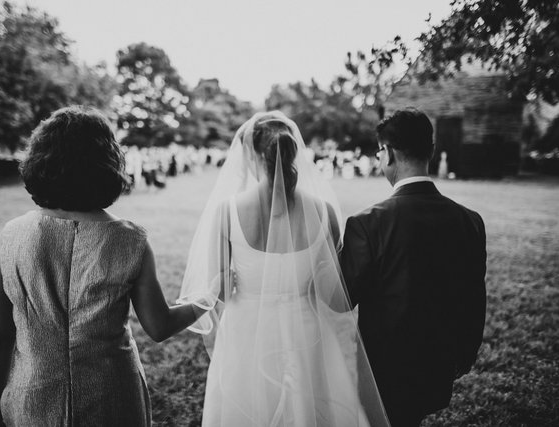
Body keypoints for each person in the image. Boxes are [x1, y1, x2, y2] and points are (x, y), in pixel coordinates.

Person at [0, 106, 206, 427]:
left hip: (31, 397)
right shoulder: (131, 239)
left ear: (40, 159)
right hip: (113, 397)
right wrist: (208, 298)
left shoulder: (11, 235)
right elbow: (159, 327)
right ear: (107, 164)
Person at [177, 111, 389, 426]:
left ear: (249, 155)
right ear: (294, 153)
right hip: (305, 329)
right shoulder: (324, 212)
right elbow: (334, 294)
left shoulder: (227, 212)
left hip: (244, 329)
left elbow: (218, 289)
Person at [340, 108, 487, 427]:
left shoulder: (367, 224)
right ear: (431, 151)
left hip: (384, 370)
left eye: (379, 152)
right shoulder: (469, 221)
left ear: (388, 153)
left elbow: (342, 297)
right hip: (438, 362)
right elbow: (475, 296)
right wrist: (465, 353)